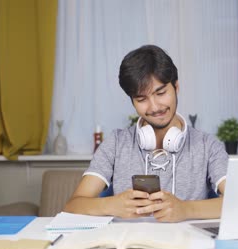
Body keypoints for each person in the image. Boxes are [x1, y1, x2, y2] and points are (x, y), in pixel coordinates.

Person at [64, 45, 228, 222]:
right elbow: (73, 206)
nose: (155, 107)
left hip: (185, 246)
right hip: (128, 246)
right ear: (133, 101)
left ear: (176, 87)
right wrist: (112, 205)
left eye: (161, 93)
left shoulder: (207, 145)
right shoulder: (116, 143)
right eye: (142, 99)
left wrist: (186, 209)